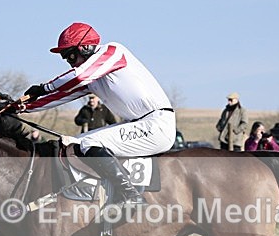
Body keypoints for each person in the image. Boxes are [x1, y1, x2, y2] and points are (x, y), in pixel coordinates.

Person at [19, 22, 175, 208]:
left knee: (89, 143)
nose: (69, 62)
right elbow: (59, 96)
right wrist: (18, 107)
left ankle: (130, 195)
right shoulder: (93, 79)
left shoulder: (114, 51)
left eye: (70, 55)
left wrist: (44, 87)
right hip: (138, 125)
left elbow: (79, 75)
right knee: (73, 143)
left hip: (156, 125)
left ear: (86, 47)